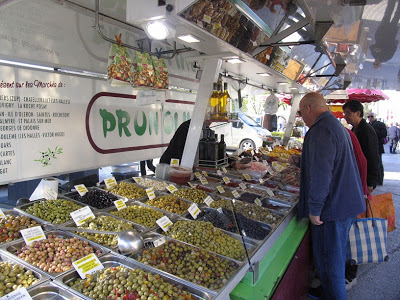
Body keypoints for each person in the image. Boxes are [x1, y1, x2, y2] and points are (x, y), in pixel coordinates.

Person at [297, 92, 365, 299]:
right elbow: (331, 163)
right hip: (343, 205)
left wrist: (315, 209)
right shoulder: (334, 126)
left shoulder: (321, 130)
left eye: (301, 112)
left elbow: (322, 173)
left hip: (331, 211)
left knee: (330, 269)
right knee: (333, 264)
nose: (301, 117)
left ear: (308, 108)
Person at [367, 112, 387, 185]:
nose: (370, 118)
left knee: (379, 163)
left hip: (378, 147)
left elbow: (384, 134)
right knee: (373, 163)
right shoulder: (368, 125)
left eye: (371, 116)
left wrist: (374, 131)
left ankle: (380, 179)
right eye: (368, 117)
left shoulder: (380, 124)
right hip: (371, 147)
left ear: (375, 116)